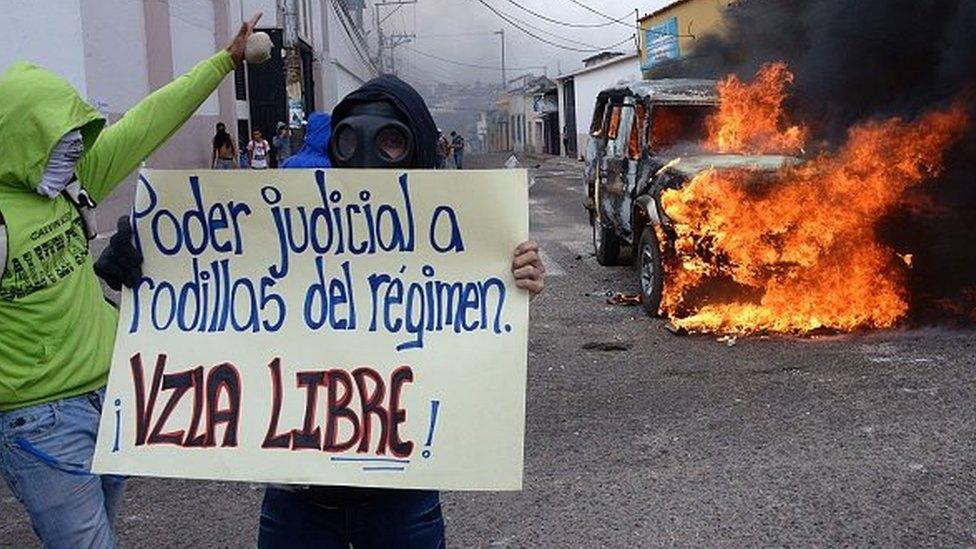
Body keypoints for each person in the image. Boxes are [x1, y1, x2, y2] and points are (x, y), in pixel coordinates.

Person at [96, 75, 545, 548]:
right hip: (297, 499)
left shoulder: (451, 235)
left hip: (402, 495)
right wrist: (143, 264)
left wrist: (514, 279)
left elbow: (472, 327)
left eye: (392, 141)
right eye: (353, 140)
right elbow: (213, 296)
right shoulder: (284, 230)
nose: (372, 157)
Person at [0, 12, 263, 549]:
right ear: (23, 136)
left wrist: (224, 62)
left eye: (77, 135)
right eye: (59, 137)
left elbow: (149, 120)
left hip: (115, 398)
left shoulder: (75, 184)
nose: (74, 147)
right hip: (40, 424)